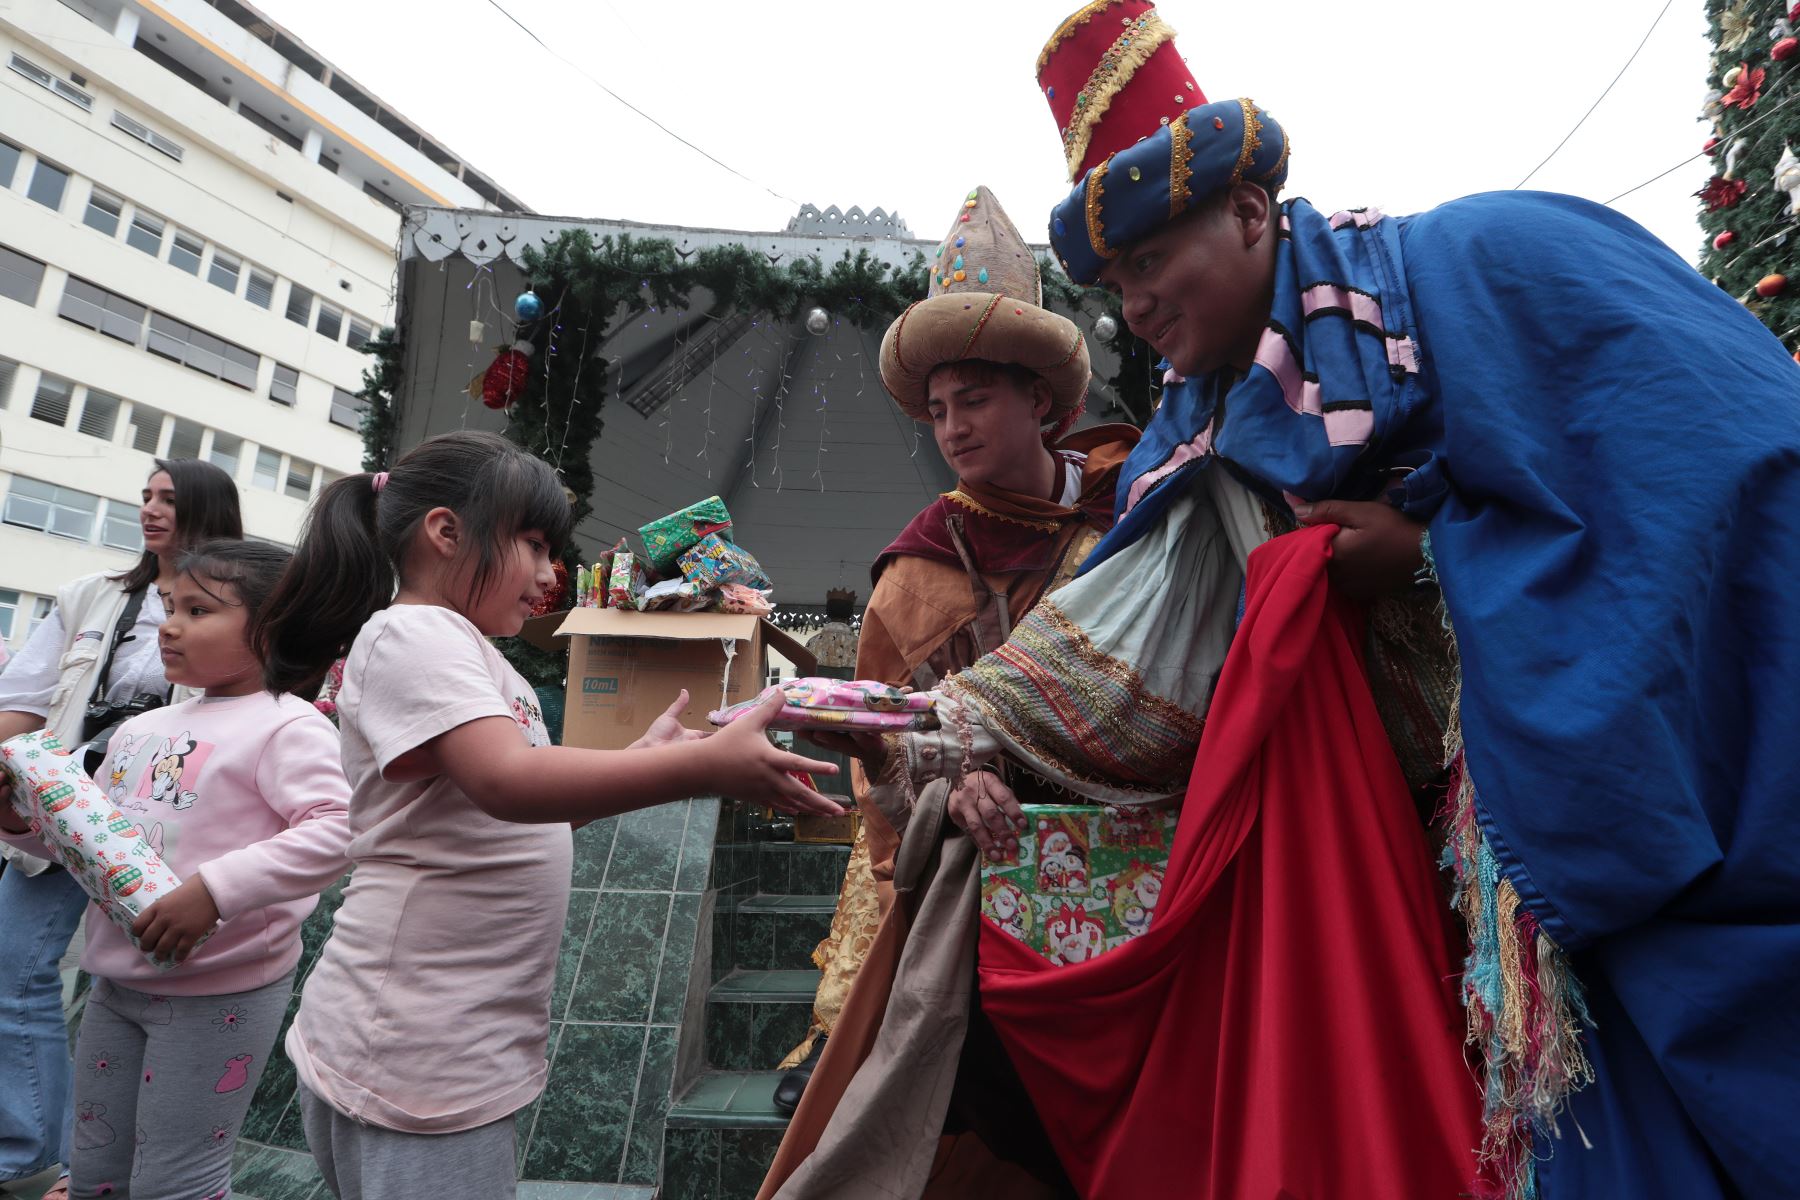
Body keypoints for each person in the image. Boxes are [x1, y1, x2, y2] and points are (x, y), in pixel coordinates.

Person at [1030, 2, 1800, 1195]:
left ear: (1248, 214)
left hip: (1674, 802)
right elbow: (1123, 635)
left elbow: (1715, 459)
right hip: (1443, 885)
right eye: (1113, 278)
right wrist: (961, 738)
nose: (1130, 304)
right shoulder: (1199, 431)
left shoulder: (1491, 260)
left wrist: (1435, 552)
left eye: (1146, 258)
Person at [251, 430, 840, 1199]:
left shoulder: (471, 653)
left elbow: (509, 810)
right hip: (413, 1042)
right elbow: (508, 781)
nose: (547, 572)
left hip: (443, 1033)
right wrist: (692, 767)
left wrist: (643, 763)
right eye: (531, 544)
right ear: (445, 531)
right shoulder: (414, 632)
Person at [760, 188, 1141, 1197]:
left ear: (1042, 404)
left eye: (975, 399)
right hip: (973, 904)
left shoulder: (1139, 522)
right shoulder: (913, 575)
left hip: (1138, 874)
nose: (954, 429)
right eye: (936, 410)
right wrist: (947, 789)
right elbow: (881, 763)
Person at [0, 539, 352, 1199]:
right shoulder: (141, 729)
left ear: (273, 626)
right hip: (115, 986)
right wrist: (21, 820)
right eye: (168, 605)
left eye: (198, 609)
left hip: (219, 995)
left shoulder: (290, 726)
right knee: (96, 1169)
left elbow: (338, 829)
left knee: (175, 1179)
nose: (169, 624)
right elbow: (94, 847)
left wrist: (214, 892)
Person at [0, 459, 242, 1200]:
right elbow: (25, 699)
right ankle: (28, 1155)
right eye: (145, 495)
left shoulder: (243, 604)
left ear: (207, 511)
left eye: (169, 499)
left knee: (143, 989)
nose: (150, 509)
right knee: (12, 968)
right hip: (64, 809)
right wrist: (10, 772)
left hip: (168, 824)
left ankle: (98, 1169)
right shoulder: (91, 597)